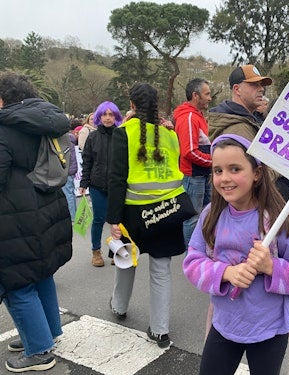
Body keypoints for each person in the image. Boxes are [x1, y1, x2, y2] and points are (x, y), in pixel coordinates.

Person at [182, 134, 289, 375]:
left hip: (270, 330)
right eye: (218, 170)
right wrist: (226, 272)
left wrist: (271, 267)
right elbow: (192, 262)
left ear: (257, 173)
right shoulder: (210, 215)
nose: (224, 178)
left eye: (235, 169)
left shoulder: (280, 221)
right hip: (225, 325)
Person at [107, 83, 195, 348]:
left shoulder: (124, 133)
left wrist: (113, 220)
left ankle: (119, 306)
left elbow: (116, 179)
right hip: (167, 211)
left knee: (126, 260)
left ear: (132, 105)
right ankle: (160, 330)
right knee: (161, 269)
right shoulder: (170, 134)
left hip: (133, 212)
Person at [0, 72, 72, 373]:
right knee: (41, 273)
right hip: (45, 208)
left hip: (15, 216)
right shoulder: (45, 122)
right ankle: (47, 332)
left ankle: (39, 350)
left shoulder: (4, 128)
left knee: (16, 282)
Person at [79, 101, 122, 267]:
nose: (108, 118)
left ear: (116, 117)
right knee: (98, 219)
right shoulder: (92, 136)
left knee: (118, 220)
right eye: (104, 114)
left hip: (117, 185)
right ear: (99, 116)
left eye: (111, 114)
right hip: (97, 185)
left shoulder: (121, 135)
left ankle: (117, 251)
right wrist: (84, 183)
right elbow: (87, 161)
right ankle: (96, 251)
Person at [173, 78, 212, 248]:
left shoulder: (197, 116)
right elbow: (189, 151)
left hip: (202, 175)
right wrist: (213, 162)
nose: (210, 98)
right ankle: (193, 257)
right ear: (195, 96)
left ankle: (201, 252)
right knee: (192, 218)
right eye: (207, 94)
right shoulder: (189, 117)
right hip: (193, 175)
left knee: (204, 214)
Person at [208, 64, 272, 141]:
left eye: (261, 85)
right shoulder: (234, 130)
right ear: (237, 89)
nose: (261, 89)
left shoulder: (245, 121)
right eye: (254, 84)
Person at [62, 131, 78, 221]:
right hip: (70, 169)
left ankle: (72, 216)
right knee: (70, 193)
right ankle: (73, 215)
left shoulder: (62, 139)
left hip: (65, 170)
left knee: (68, 194)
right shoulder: (70, 138)